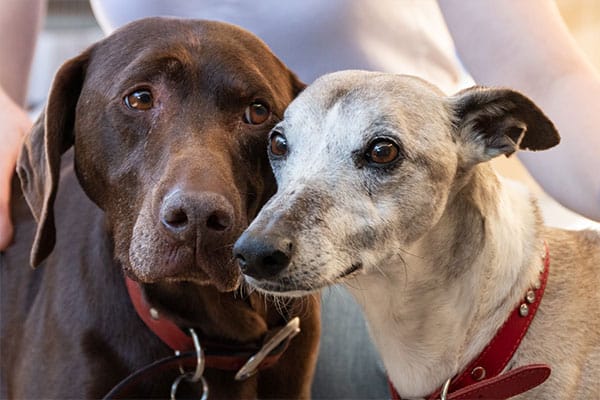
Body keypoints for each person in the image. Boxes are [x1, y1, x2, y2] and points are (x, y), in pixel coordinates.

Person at [1, 1, 599, 398]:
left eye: (256, 115)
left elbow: (545, 73)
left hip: (388, 226)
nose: (195, 202)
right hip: (256, 223)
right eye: (140, 99)